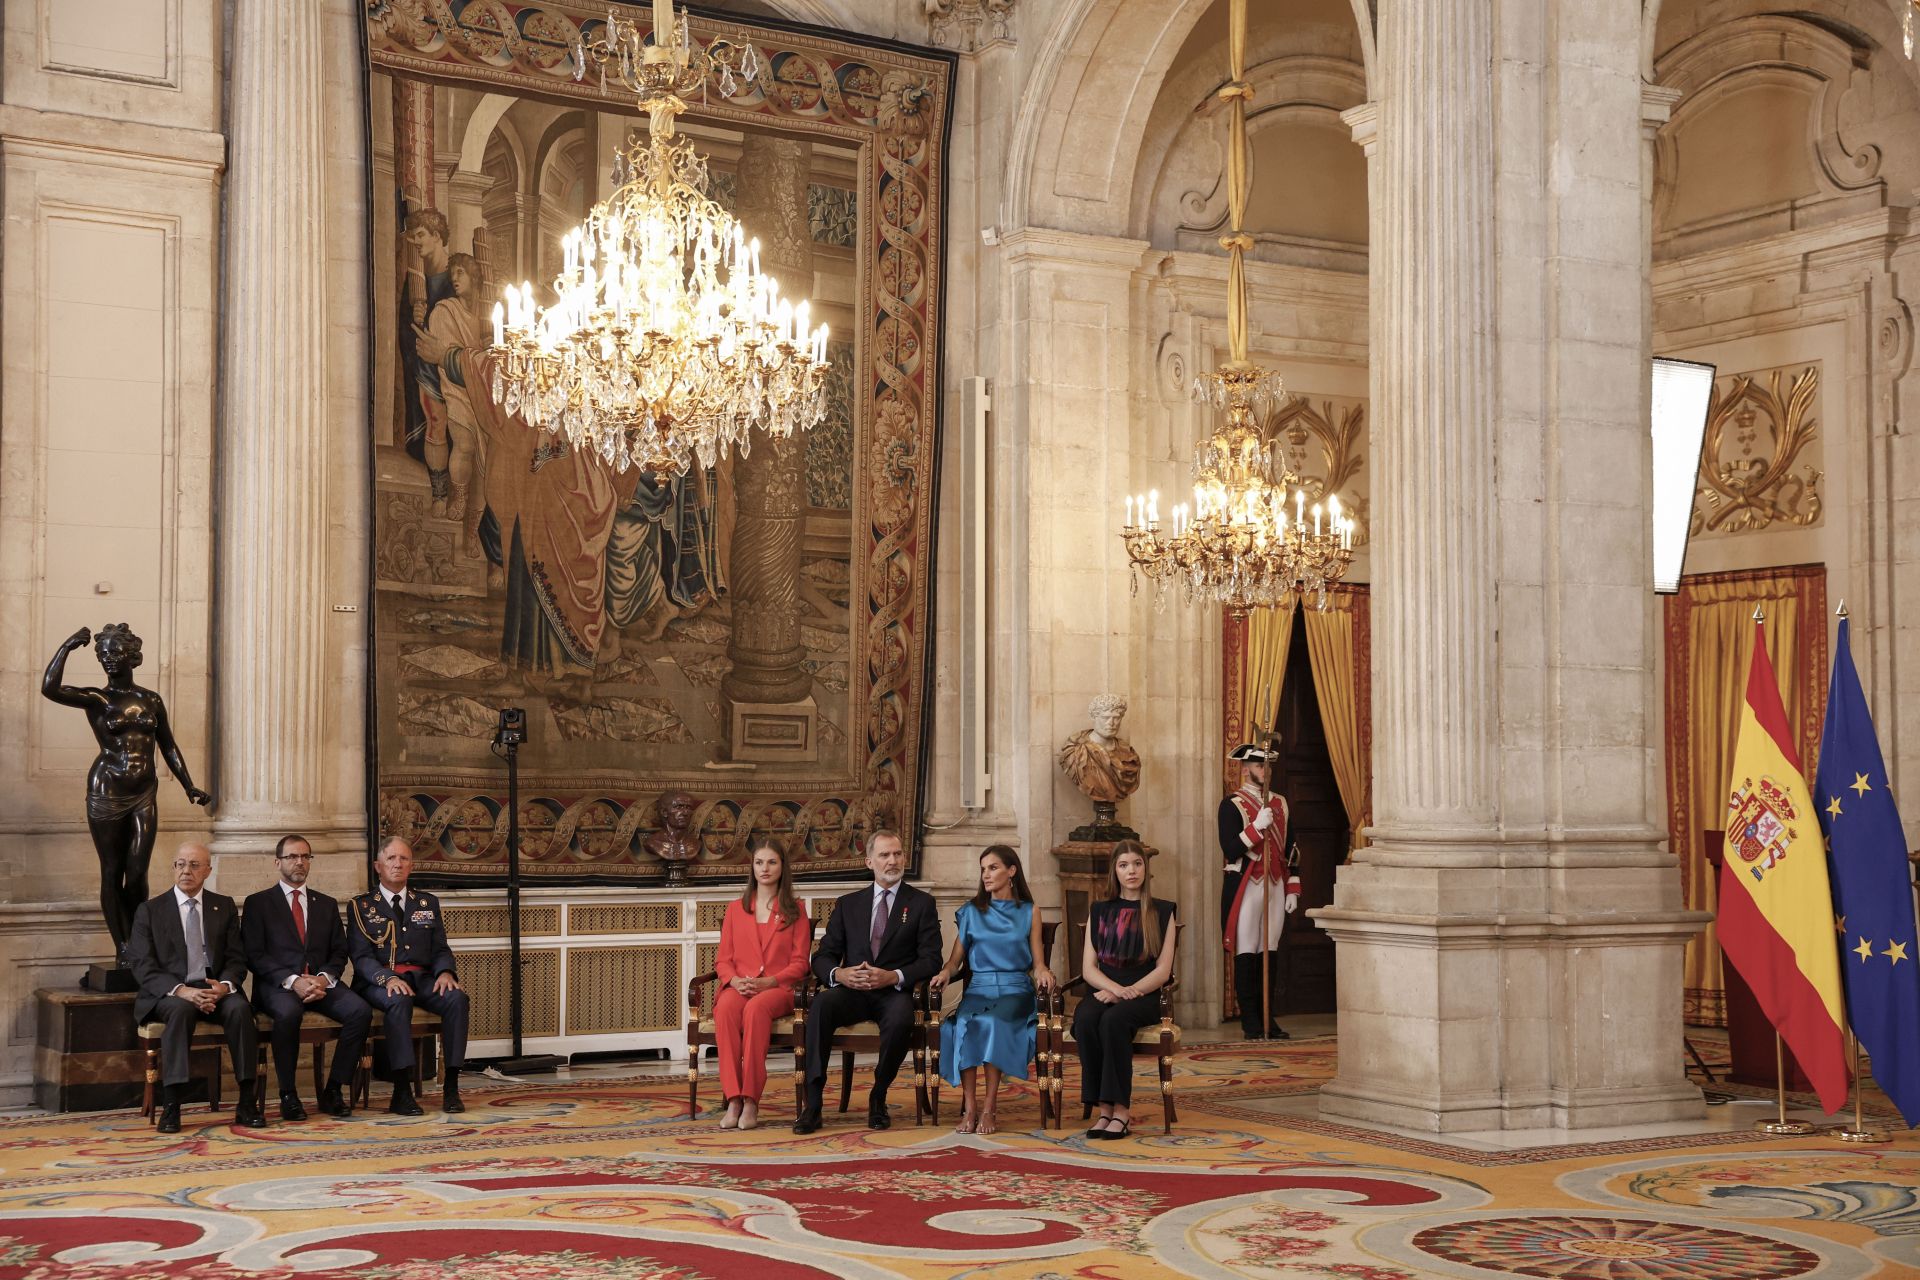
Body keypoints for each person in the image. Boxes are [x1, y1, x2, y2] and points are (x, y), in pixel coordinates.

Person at [40, 625, 212, 959]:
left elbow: (168, 746)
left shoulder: (151, 699)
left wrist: (188, 784)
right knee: (111, 869)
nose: (109, 660)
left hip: (145, 791)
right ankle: (123, 945)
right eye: (103, 654)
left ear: (131, 656)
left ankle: (140, 940)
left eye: (115, 653)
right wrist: (67, 645)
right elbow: (50, 688)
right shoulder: (96, 699)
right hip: (107, 790)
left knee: (136, 872)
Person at [793, 828, 942, 1134]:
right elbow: (823, 956)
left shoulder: (921, 904)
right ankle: (814, 1104)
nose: (893, 861)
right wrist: (839, 974)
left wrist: (894, 976)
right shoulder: (848, 904)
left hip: (893, 992)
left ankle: (879, 1095)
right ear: (870, 861)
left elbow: (931, 960)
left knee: (902, 1018)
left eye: (898, 854)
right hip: (853, 990)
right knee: (821, 1005)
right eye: (885, 855)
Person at [125, 842, 264, 1133]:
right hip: (170, 992)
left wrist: (224, 986)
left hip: (213, 987)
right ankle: (172, 1104)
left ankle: (246, 1100)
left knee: (239, 1009)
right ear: (174, 868)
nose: (186, 871)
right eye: (180, 864)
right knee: (180, 1012)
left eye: (194, 865)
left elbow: (237, 958)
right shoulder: (150, 910)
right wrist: (183, 991)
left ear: (208, 871)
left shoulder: (222, 905)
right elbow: (142, 965)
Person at [241, 834, 371, 1120]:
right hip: (278, 987)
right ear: (278, 862)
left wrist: (323, 979)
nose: (299, 862)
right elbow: (254, 954)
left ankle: (333, 1089)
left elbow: (340, 951)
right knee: (288, 1013)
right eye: (292, 857)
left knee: (360, 1011)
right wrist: (294, 981)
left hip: (321, 984)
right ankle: (288, 1094)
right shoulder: (258, 903)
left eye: (305, 856)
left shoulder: (325, 903)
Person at [929, 845, 1054, 1135]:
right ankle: (970, 1108)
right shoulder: (971, 911)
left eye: (993, 867)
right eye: (983, 869)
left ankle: (990, 1108)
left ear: (1011, 871)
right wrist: (945, 973)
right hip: (979, 989)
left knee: (993, 1023)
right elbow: (955, 960)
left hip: (1015, 990)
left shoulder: (1029, 911)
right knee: (961, 1024)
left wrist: (1044, 971)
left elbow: (1037, 962)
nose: (986, 875)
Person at [348, 837, 471, 1115]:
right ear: (377, 866)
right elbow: (361, 957)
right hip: (377, 982)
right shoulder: (362, 906)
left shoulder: (426, 902)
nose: (397, 864)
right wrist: (387, 978)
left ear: (411, 866)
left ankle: (451, 1087)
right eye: (391, 858)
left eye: (404, 859)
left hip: (422, 978)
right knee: (398, 1001)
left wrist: (445, 972)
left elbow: (440, 947)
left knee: (457, 999)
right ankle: (401, 1091)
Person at [1074, 839, 1178, 1140]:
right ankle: (1102, 1107)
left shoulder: (1162, 910)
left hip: (1144, 994)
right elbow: (1088, 969)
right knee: (1085, 1018)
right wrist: (1115, 990)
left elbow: (1163, 971)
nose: (1131, 871)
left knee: (1114, 1020)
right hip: (1106, 987)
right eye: (1123, 865)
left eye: (1137, 864)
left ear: (1145, 868)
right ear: (1115, 872)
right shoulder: (1100, 909)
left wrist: (1127, 991)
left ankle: (1121, 1111)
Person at [713, 836, 811, 1130]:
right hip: (740, 986)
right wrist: (733, 980)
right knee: (726, 1009)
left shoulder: (796, 909)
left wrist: (770, 981)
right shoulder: (735, 909)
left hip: (778, 989)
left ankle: (751, 1099)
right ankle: (733, 1099)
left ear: (782, 866)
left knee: (756, 1010)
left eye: (771, 862)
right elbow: (723, 960)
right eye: (759, 862)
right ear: (752, 867)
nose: (764, 868)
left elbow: (801, 963)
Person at [1219, 740, 1301, 1039]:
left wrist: (1293, 887)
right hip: (1246, 884)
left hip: (1276, 883)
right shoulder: (1233, 804)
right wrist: (1256, 827)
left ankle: (1270, 1020)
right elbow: (1229, 848)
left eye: (1267, 765)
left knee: (1270, 950)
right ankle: (1251, 1022)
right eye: (1257, 765)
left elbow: (1291, 848)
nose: (1264, 770)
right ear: (1244, 768)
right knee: (1247, 950)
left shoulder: (1281, 802)